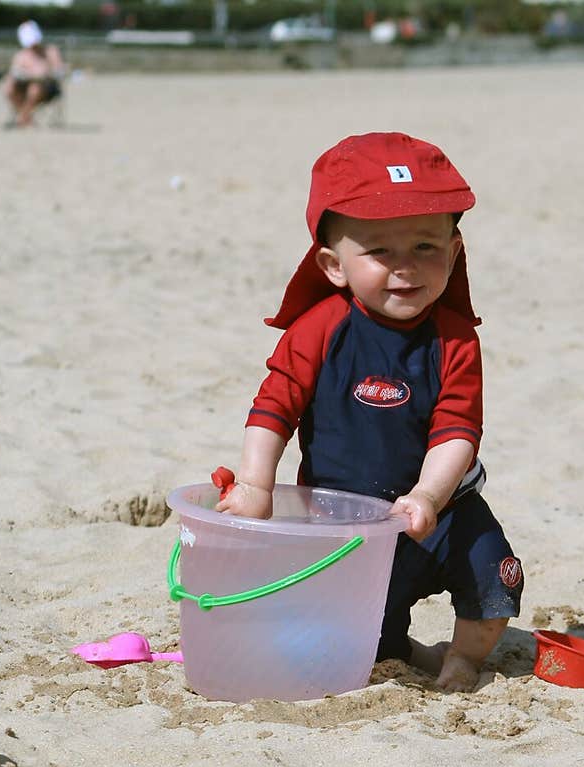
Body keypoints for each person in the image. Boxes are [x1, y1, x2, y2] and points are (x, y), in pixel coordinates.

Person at [217, 132, 524, 692]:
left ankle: (462, 660)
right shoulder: (321, 329)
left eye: (427, 248)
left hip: (439, 507)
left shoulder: (453, 339)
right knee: (367, 641)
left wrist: (429, 495)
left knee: (492, 581)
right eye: (380, 251)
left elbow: (458, 431)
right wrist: (256, 484)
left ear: (455, 255)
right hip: (343, 520)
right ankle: (402, 649)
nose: (406, 267)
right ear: (334, 265)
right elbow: (273, 408)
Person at [5, 20, 64, 129]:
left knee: (34, 89)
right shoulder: (21, 55)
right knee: (9, 87)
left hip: (47, 87)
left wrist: (48, 75)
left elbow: (60, 72)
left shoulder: (51, 51)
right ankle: (26, 117)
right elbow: (14, 72)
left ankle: (23, 117)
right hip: (24, 86)